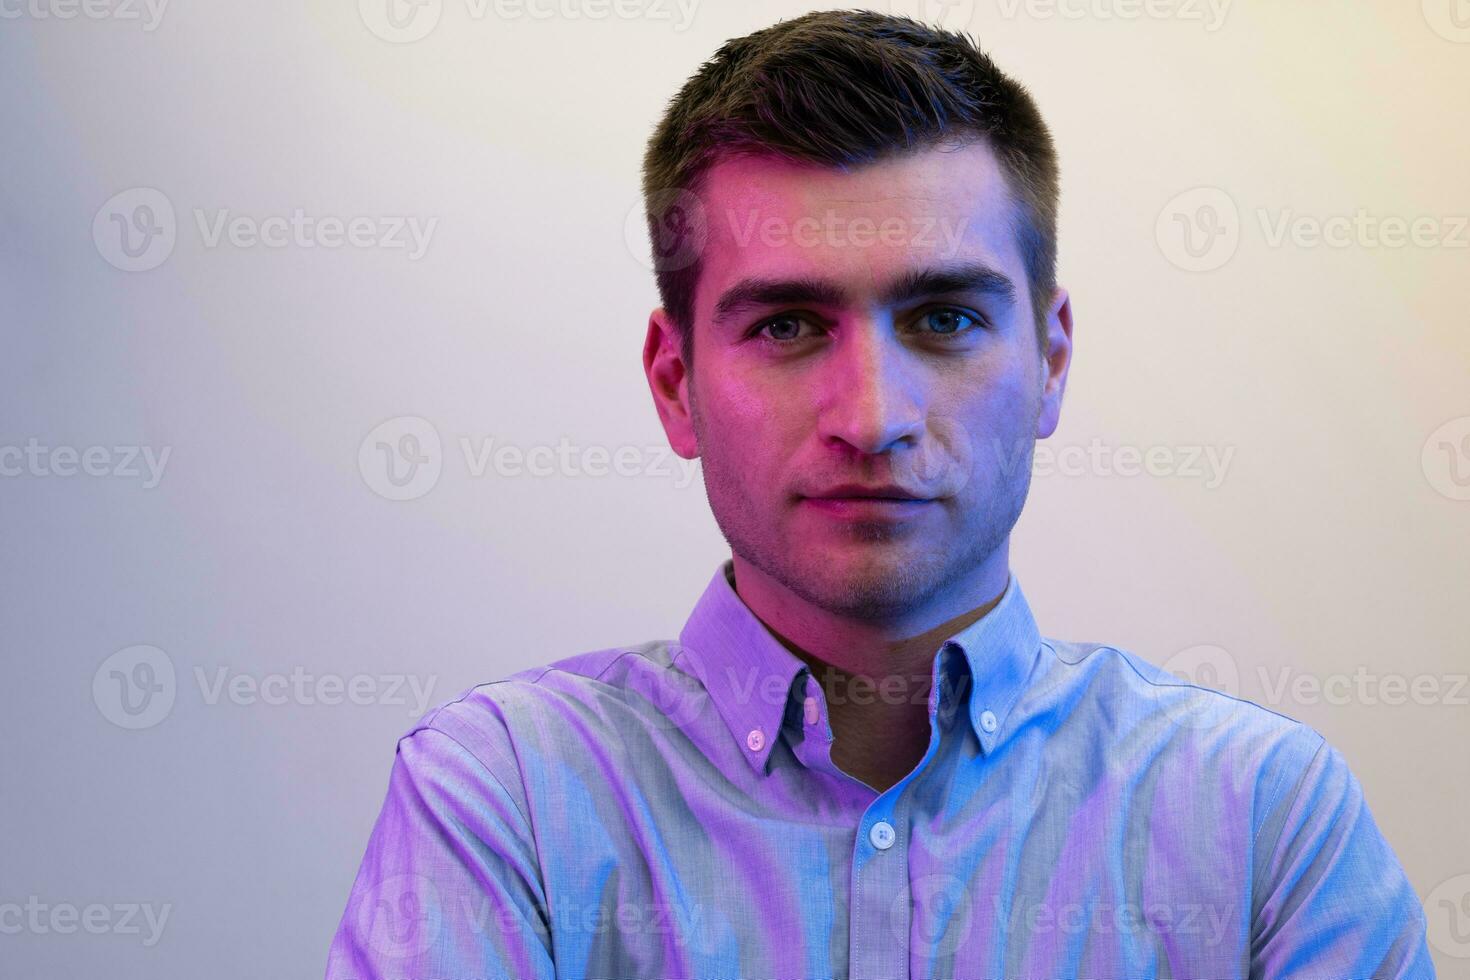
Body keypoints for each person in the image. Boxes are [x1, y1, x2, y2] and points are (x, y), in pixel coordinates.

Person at [326, 10, 1433, 978]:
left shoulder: (1263, 820)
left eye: (944, 318)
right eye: (789, 326)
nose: (871, 415)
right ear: (675, 383)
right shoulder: (507, 799)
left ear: (1050, 361)